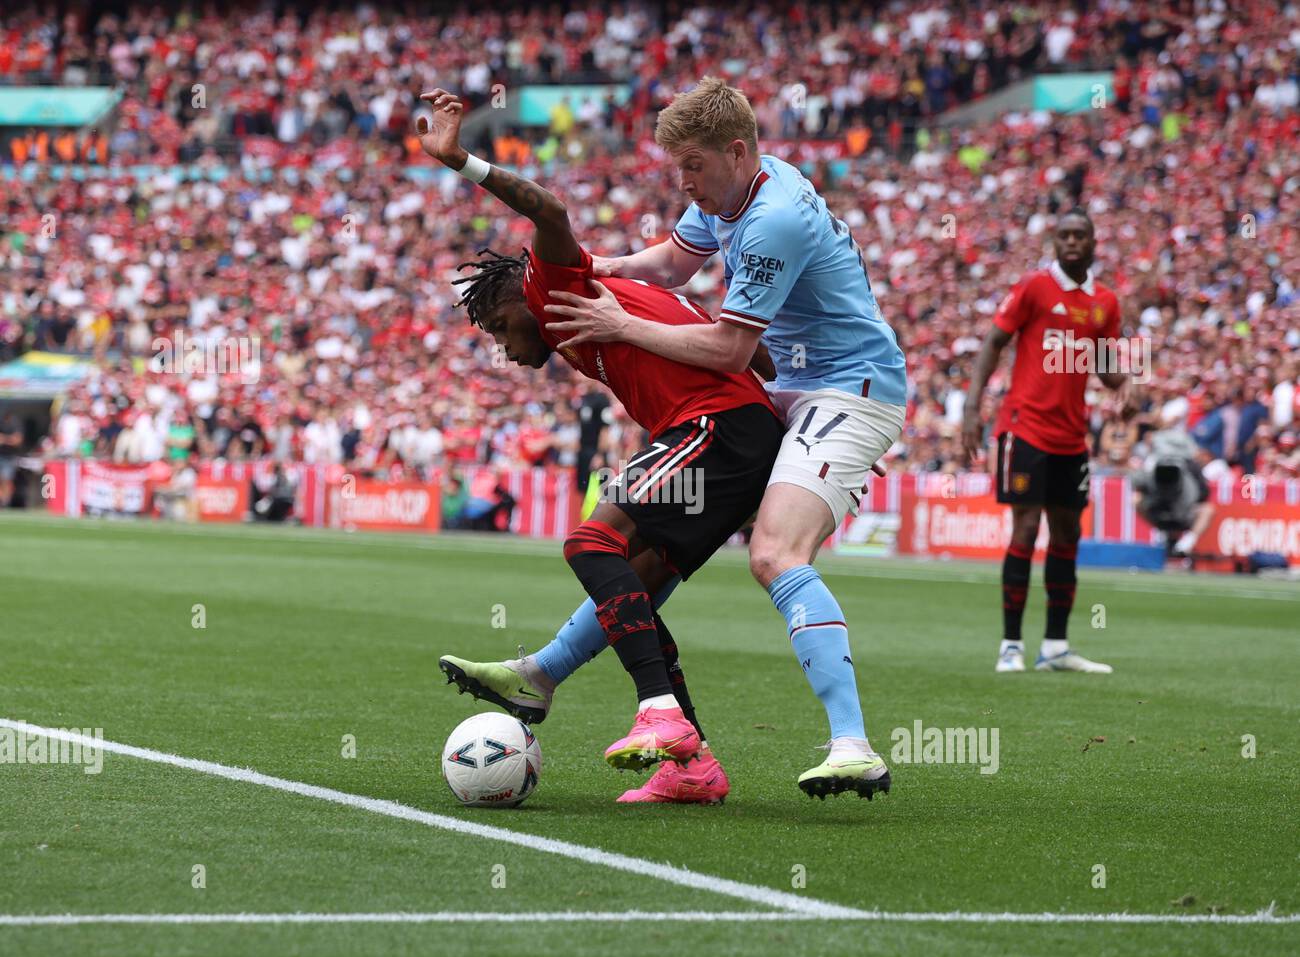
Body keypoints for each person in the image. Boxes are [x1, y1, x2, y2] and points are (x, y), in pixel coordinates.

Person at [536, 78, 907, 800]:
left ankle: (854, 745)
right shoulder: (734, 191)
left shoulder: (771, 220)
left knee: (774, 553)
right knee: (660, 549)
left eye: (694, 169)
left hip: (847, 389)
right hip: (788, 389)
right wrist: (601, 269)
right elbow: (673, 264)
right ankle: (547, 675)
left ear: (736, 152)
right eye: (679, 170)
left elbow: (731, 350)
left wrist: (621, 326)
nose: (686, 185)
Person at [419, 89, 784, 805]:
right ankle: (691, 766)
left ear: (515, 298)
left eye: (495, 329)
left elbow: (549, 212)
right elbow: (754, 356)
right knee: (636, 585)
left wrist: (458, 158)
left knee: (591, 544)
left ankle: (657, 711)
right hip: (726, 434)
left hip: (720, 428)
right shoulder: (593, 305)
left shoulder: (550, 283)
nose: (500, 348)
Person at [962, 211, 1133, 674]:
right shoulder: (1035, 287)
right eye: (1064, 235)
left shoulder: (1106, 302)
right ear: (1055, 242)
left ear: (1094, 241)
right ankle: (1011, 646)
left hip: (1072, 436)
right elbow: (994, 343)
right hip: (1025, 428)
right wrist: (970, 408)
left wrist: (1128, 386)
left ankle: (1055, 646)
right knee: (1025, 526)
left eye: (1080, 235)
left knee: (1068, 533)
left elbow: (1107, 368)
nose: (1072, 242)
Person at [1131, 429, 1215, 558]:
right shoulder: (1153, 463)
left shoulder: (1191, 466)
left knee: (1208, 509)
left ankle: (1186, 544)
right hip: (1158, 509)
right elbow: (1137, 483)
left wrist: (1188, 500)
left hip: (1183, 512)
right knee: (1135, 499)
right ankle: (1161, 534)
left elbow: (1204, 493)